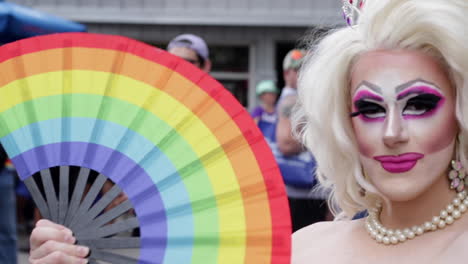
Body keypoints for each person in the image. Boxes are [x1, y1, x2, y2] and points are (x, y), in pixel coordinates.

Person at [292, 0, 468, 262]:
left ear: (460, 113)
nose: (392, 133)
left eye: (419, 105)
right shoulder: (304, 247)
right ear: (344, 124)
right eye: (371, 109)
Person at [274, 49, 328, 232]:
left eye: (307, 69)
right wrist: (321, 138)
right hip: (299, 192)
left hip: (310, 191)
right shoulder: (291, 100)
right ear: (286, 74)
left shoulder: (306, 98)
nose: (303, 75)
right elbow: (286, 144)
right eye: (297, 70)